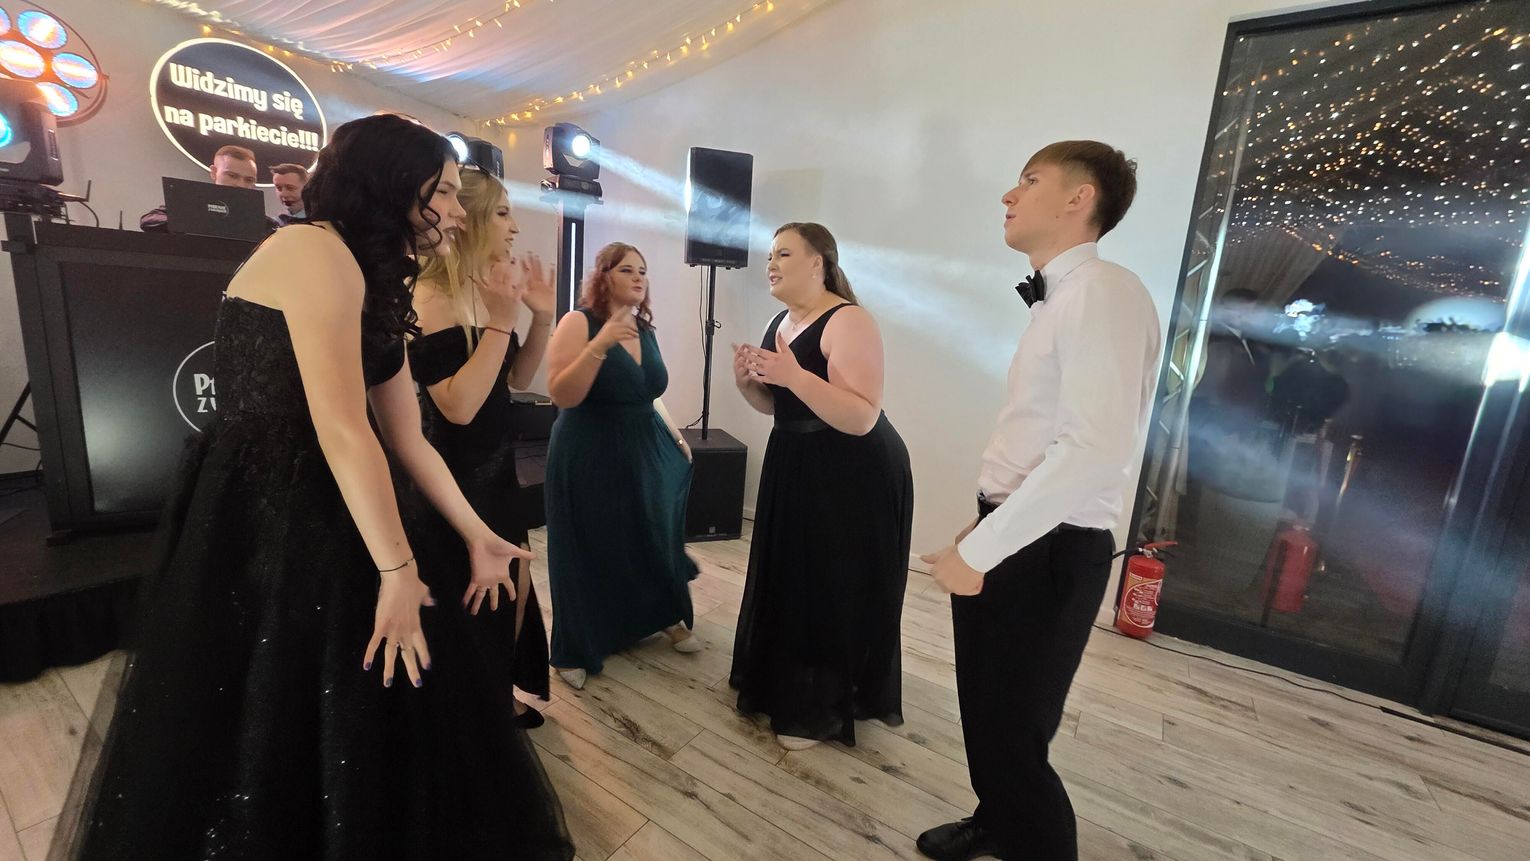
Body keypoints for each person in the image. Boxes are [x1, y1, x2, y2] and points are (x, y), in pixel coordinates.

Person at [54, 114, 573, 860]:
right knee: (274, 695)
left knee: (369, 693)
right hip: (271, 504)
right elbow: (341, 426)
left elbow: (407, 436)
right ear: (393, 186)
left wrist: (477, 533)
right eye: (444, 192)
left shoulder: (372, 271)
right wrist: (398, 569)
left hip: (337, 496)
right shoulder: (313, 249)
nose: (458, 212)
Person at [916, 141, 1160, 861]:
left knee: (1015, 736)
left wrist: (985, 550)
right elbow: (1035, 438)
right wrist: (980, 526)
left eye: (1029, 180)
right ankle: (998, 820)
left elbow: (1093, 450)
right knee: (989, 717)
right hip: (1020, 531)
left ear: (1080, 199)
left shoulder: (1103, 291)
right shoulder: (1066, 295)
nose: (1008, 194)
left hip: (1051, 549)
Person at [728, 222, 913, 751]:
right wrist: (748, 386)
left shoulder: (849, 320)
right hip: (797, 460)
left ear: (818, 263)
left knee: (828, 581)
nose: (770, 263)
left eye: (783, 253)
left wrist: (794, 377)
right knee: (793, 573)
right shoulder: (779, 321)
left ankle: (819, 705)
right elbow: (781, 408)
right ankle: (788, 681)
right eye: (770, 255)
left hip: (852, 471)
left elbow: (861, 416)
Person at [409, 165, 555, 728]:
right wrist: (500, 323)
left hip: (497, 467)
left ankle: (495, 694)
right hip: (455, 476)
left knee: (513, 587)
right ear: (466, 219)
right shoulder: (428, 297)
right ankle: (471, 715)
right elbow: (458, 407)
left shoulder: (484, 290)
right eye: (502, 213)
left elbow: (515, 379)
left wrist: (540, 319)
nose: (514, 227)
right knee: (470, 597)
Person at [541, 242, 699, 690]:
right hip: (587, 449)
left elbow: (645, 392)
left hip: (641, 445)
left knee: (647, 532)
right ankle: (575, 646)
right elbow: (562, 394)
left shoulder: (644, 327)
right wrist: (601, 343)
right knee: (588, 543)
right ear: (603, 276)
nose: (638, 278)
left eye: (643, 271)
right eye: (627, 269)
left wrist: (674, 434)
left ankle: (661, 614)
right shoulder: (579, 322)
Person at [139, 144, 278, 232]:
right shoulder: (191, 204)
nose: (241, 184)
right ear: (214, 172)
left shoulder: (263, 222)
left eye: (249, 180)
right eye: (232, 176)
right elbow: (149, 220)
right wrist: (204, 221)